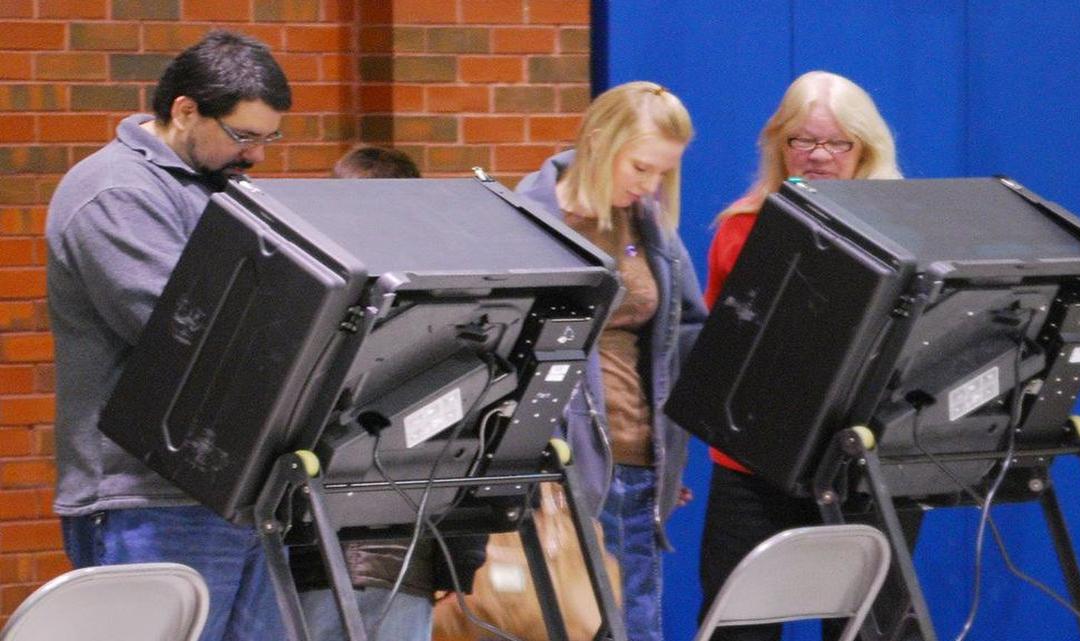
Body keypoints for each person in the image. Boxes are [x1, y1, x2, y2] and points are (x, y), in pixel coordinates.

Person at [46, 30, 292, 640]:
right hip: (149, 498)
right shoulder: (116, 192)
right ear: (185, 110)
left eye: (270, 138)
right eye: (244, 135)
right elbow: (185, 333)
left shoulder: (225, 186)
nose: (258, 155)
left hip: (240, 493)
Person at [698, 70, 903, 641]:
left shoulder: (904, 231)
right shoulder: (741, 229)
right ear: (778, 144)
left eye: (836, 143)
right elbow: (725, 352)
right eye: (801, 141)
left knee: (873, 629)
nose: (817, 156)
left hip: (864, 462)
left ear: (865, 149)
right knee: (738, 630)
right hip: (755, 465)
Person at [515, 81, 708, 641]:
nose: (651, 186)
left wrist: (672, 449)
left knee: (635, 625)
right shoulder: (529, 219)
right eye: (641, 168)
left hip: (639, 467)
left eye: (663, 174)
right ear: (599, 141)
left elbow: (685, 335)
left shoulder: (650, 229)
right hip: (558, 473)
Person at [290, 144, 484, 641]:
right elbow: (470, 431)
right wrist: (458, 561)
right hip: (390, 553)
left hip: (329, 548)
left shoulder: (314, 298)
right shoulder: (448, 306)